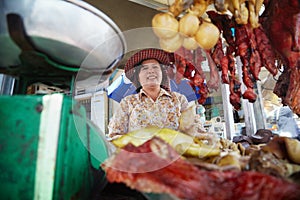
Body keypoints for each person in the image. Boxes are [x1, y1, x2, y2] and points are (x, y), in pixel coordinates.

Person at [107, 48, 208, 141]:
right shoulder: (128, 102)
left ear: (162, 74)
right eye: (144, 68)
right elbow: (114, 135)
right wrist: (137, 143)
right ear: (138, 76)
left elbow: (195, 129)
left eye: (155, 67)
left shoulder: (179, 100)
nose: (151, 71)